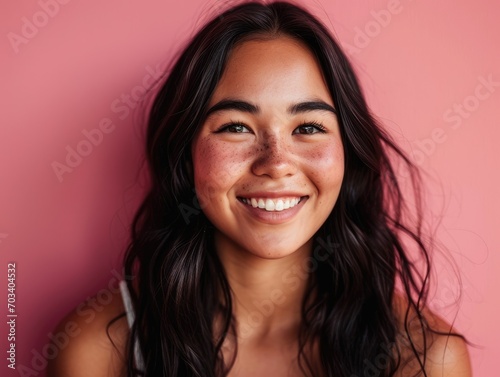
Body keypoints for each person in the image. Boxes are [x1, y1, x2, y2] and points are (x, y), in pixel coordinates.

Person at [47, 1, 472, 376]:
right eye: (235, 127)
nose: (276, 163)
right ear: (186, 153)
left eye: (307, 127)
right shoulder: (96, 350)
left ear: (348, 151)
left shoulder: (424, 359)